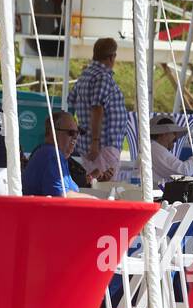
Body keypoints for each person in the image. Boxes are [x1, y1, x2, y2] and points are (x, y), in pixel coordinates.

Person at [67, 37, 127, 179]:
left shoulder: (85, 75)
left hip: (91, 145)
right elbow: (97, 109)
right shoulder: (102, 77)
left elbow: (71, 103)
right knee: (105, 189)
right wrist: (95, 143)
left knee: (95, 185)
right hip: (103, 146)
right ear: (111, 57)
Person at [21, 111, 94, 198]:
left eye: (77, 133)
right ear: (53, 132)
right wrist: (95, 200)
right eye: (71, 133)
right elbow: (61, 196)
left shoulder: (56, 155)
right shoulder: (51, 154)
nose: (75, 138)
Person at [146, 115, 193, 185]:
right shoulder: (156, 149)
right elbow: (185, 171)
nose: (176, 138)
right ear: (163, 134)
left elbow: (183, 174)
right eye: (174, 133)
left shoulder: (153, 148)